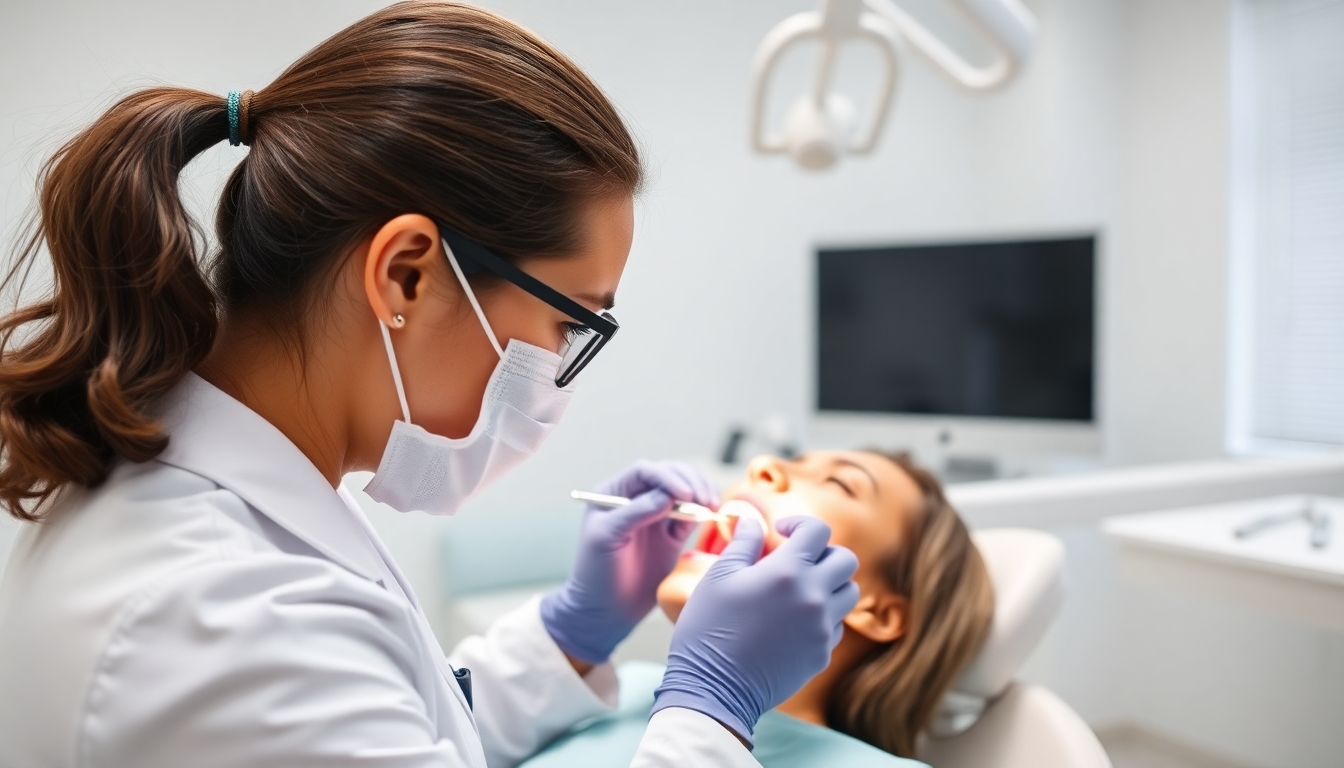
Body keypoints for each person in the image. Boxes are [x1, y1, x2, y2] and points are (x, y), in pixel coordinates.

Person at [0, 4, 859, 767]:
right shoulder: (224, 615)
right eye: (571, 324)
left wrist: (569, 635)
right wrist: (712, 708)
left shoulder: (254, 500)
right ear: (407, 274)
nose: (562, 370)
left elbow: (398, 722)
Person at [524, 450, 993, 766]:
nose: (763, 466)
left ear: (878, 610)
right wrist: (573, 635)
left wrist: (715, 704)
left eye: (838, 482)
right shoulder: (630, 689)